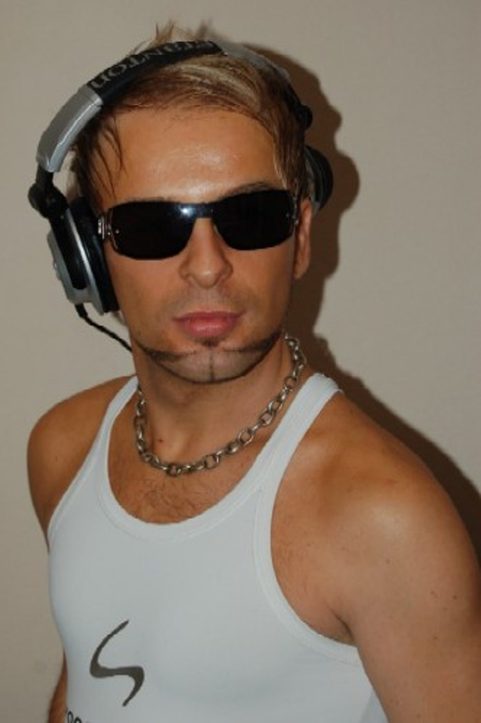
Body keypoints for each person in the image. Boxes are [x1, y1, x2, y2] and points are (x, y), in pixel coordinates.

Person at [27, 24, 481, 723]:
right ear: (88, 258)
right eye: (152, 226)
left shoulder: (384, 520)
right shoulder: (62, 447)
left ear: (299, 236)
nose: (208, 266)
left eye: (250, 216)